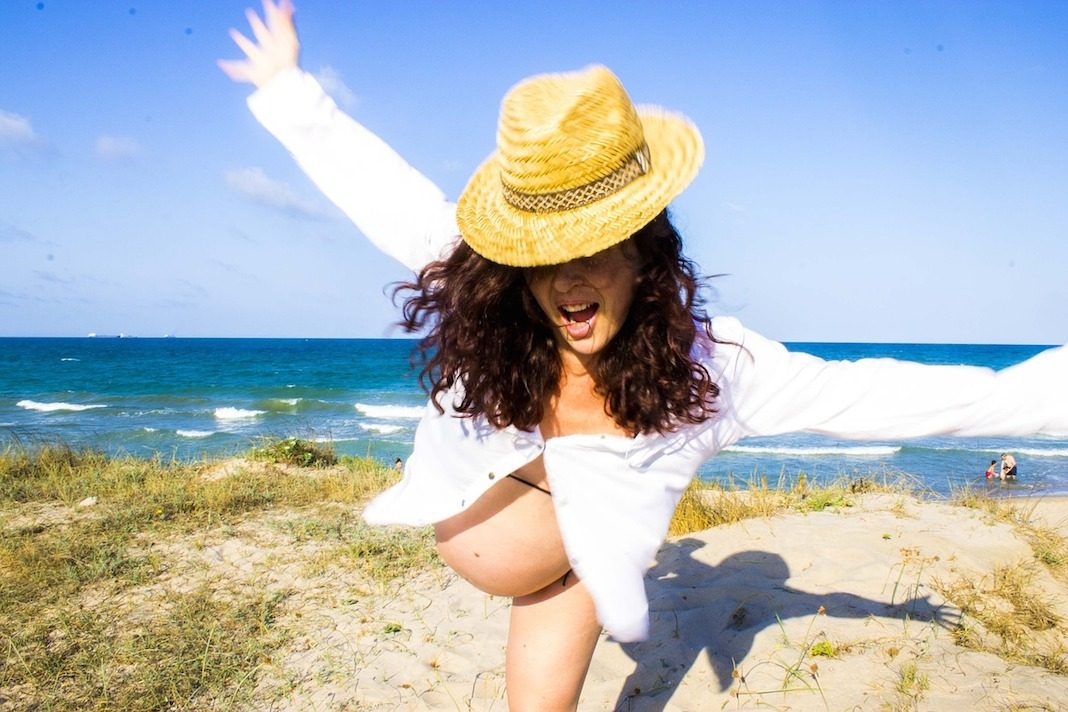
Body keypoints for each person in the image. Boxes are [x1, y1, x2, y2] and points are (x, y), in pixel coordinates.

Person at [220, 4, 1068, 708]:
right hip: (501, 539)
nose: (568, 278)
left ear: (644, 251)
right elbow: (380, 190)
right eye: (545, 250)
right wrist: (289, 88)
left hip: (576, 570)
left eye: (594, 247)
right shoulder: (488, 280)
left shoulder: (715, 367)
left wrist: (1043, 395)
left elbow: (873, 397)